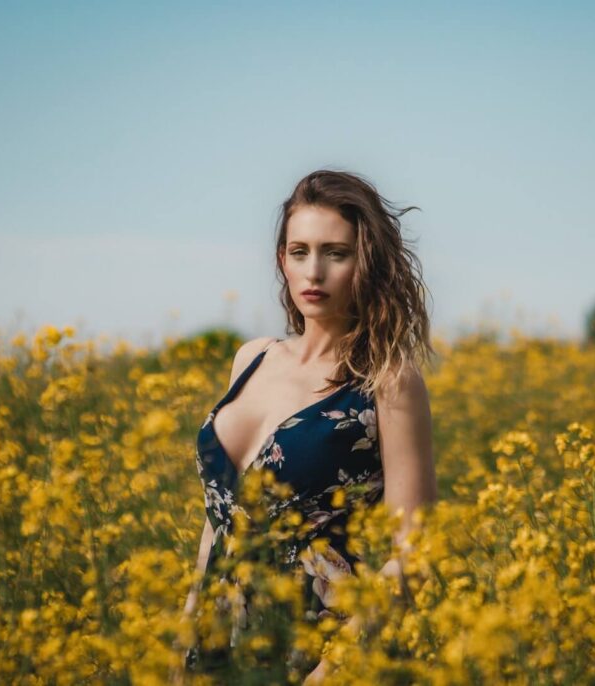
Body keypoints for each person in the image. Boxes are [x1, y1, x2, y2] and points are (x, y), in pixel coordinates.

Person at [170, 169, 437, 684]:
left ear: (366, 263)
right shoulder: (252, 357)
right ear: (282, 261)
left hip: (315, 648)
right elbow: (219, 521)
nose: (313, 271)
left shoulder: (387, 381)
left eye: (336, 253)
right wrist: (185, 639)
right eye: (299, 252)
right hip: (216, 643)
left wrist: (331, 670)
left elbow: (416, 553)